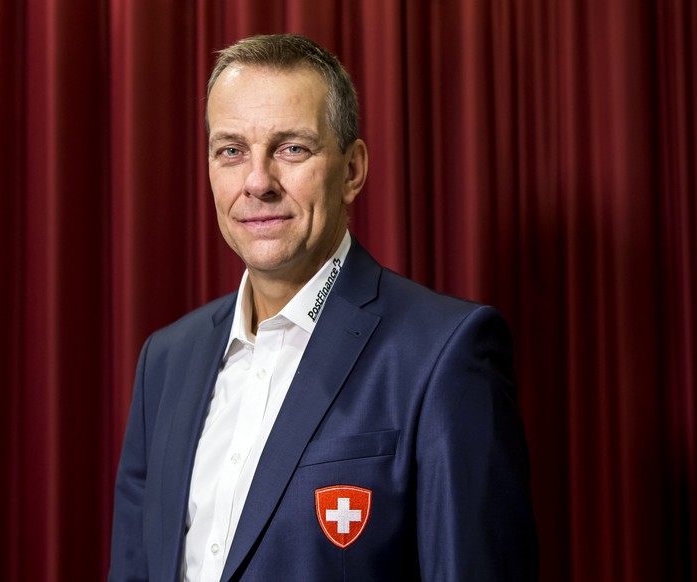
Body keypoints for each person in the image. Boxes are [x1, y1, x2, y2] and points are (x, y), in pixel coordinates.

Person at [109, 33, 537, 581]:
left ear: (352, 170)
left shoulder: (444, 354)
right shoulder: (165, 361)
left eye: (292, 148)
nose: (258, 182)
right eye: (231, 150)